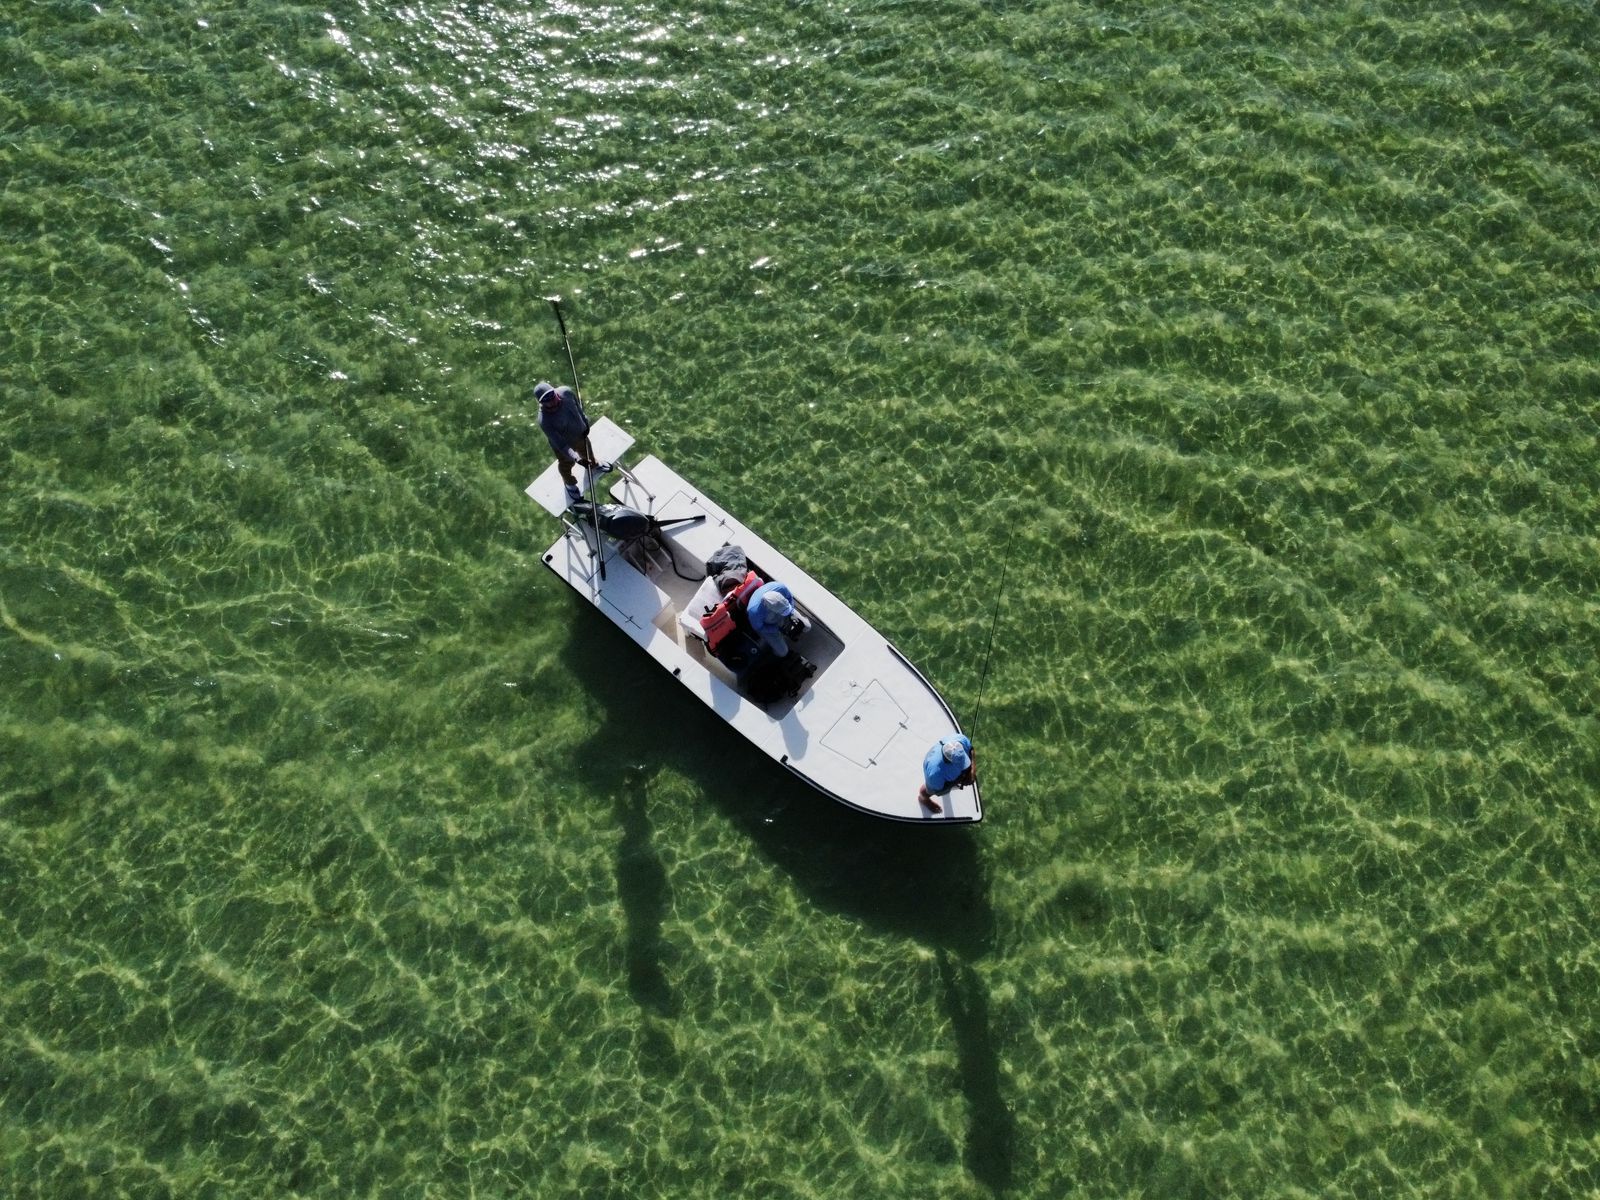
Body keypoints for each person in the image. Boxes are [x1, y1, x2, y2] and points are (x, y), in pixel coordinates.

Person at [536, 380, 612, 505]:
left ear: (555, 391)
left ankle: (594, 465)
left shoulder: (566, 392)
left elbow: (578, 408)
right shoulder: (544, 420)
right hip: (564, 445)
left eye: (551, 395)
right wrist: (576, 458)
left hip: (580, 434)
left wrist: (585, 424)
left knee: (587, 450)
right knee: (566, 463)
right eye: (546, 400)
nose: (551, 401)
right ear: (541, 403)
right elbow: (560, 444)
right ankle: (569, 483)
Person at [745, 580, 809, 658]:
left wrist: (791, 613)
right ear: (770, 608)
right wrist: (777, 629)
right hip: (769, 625)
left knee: (807, 626)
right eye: (782, 611)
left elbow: (790, 598)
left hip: (787, 611)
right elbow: (759, 627)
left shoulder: (781, 587)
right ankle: (774, 650)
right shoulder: (754, 611)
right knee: (783, 652)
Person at [918, 734, 975, 812]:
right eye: (959, 763)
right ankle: (923, 799)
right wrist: (959, 781)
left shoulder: (959, 739)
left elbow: (971, 749)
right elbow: (938, 789)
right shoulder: (935, 774)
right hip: (934, 777)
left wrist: (972, 770)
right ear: (948, 761)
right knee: (926, 791)